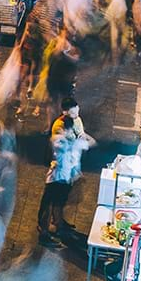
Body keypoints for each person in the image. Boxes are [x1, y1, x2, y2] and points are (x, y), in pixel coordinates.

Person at [39, 97, 93, 247]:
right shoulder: (59, 128)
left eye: (77, 112)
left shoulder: (76, 121)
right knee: (50, 202)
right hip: (58, 172)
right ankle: (44, 232)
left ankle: (59, 223)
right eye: (73, 113)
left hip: (69, 171)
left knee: (60, 201)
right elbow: (64, 150)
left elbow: (81, 135)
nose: (77, 115)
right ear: (64, 113)